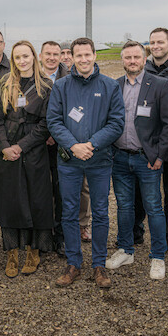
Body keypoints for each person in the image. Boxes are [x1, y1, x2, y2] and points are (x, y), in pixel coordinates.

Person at [47, 37, 124, 289]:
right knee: (69, 212)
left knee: (101, 212)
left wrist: (91, 145)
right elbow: (54, 121)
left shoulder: (110, 86)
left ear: (94, 56)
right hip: (69, 160)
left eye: (87, 55)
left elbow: (116, 122)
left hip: (99, 159)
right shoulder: (61, 86)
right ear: (71, 57)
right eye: (77, 55)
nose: (82, 60)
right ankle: (73, 263)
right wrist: (73, 146)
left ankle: (98, 264)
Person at [105, 41, 168, 280]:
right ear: (122, 60)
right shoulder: (114, 86)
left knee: (153, 207)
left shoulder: (159, 85)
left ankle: (158, 256)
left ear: (143, 58)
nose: (132, 61)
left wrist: (159, 155)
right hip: (120, 157)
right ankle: (126, 250)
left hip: (147, 159)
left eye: (136, 57)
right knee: (125, 207)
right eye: (128, 58)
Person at [0, 41, 54, 277]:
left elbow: (47, 123)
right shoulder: (5, 83)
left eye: (26, 56)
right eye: (18, 57)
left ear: (34, 57)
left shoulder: (46, 85)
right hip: (7, 152)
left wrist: (22, 145)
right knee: (10, 201)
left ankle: (33, 250)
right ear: (13, 60)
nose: (22, 61)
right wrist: (6, 147)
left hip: (34, 150)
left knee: (35, 200)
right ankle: (12, 251)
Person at [133, 27, 168, 256]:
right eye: (152, 42)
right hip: (147, 143)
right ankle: (136, 231)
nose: (156, 46)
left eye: (161, 42)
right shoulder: (141, 70)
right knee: (141, 190)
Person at [40, 41, 69, 256]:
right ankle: (42, 237)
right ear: (40, 55)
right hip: (38, 143)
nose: (51, 57)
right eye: (47, 54)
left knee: (61, 193)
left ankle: (60, 237)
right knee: (40, 192)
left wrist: (56, 135)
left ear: (61, 56)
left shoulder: (69, 78)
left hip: (62, 145)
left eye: (55, 54)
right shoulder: (32, 78)